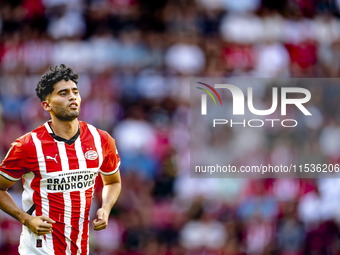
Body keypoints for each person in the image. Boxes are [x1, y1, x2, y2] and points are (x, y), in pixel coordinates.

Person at [0, 64, 121, 255]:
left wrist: (105, 208)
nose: (72, 97)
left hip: (79, 249)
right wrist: (25, 218)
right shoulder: (27, 145)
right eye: (63, 93)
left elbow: (112, 181)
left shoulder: (102, 140)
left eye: (75, 91)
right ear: (46, 105)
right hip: (38, 250)